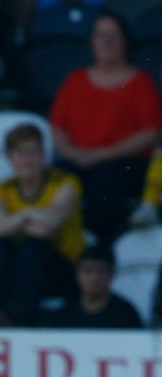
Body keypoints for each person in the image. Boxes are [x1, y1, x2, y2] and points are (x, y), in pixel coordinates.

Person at [49, 10, 162, 243]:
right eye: (101, 35)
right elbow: (57, 128)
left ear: (124, 41)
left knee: (106, 179)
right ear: (92, 41)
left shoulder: (141, 82)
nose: (107, 41)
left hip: (122, 162)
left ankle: (93, 245)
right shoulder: (75, 80)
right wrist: (74, 154)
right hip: (78, 159)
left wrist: (100, 155)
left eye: (113, 35)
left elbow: (150, 133)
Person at [0, 123, 83, 326]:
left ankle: (19, 321)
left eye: (34, 152)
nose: (27, 159)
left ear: (44, 154)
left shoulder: (66, 183)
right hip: (19, 274)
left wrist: (9, 221)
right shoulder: (0, 190)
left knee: (33, 246)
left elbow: (47, 228)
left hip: (63, 271)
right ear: (9, 157)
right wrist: (27, 215)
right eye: (20, 153)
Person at [41, 245, 142, 328]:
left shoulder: (125, 314)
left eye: (101, 272)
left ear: (111, 275)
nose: (94, 279)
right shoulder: (63, 313)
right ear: (77, 274)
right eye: (87, 271)